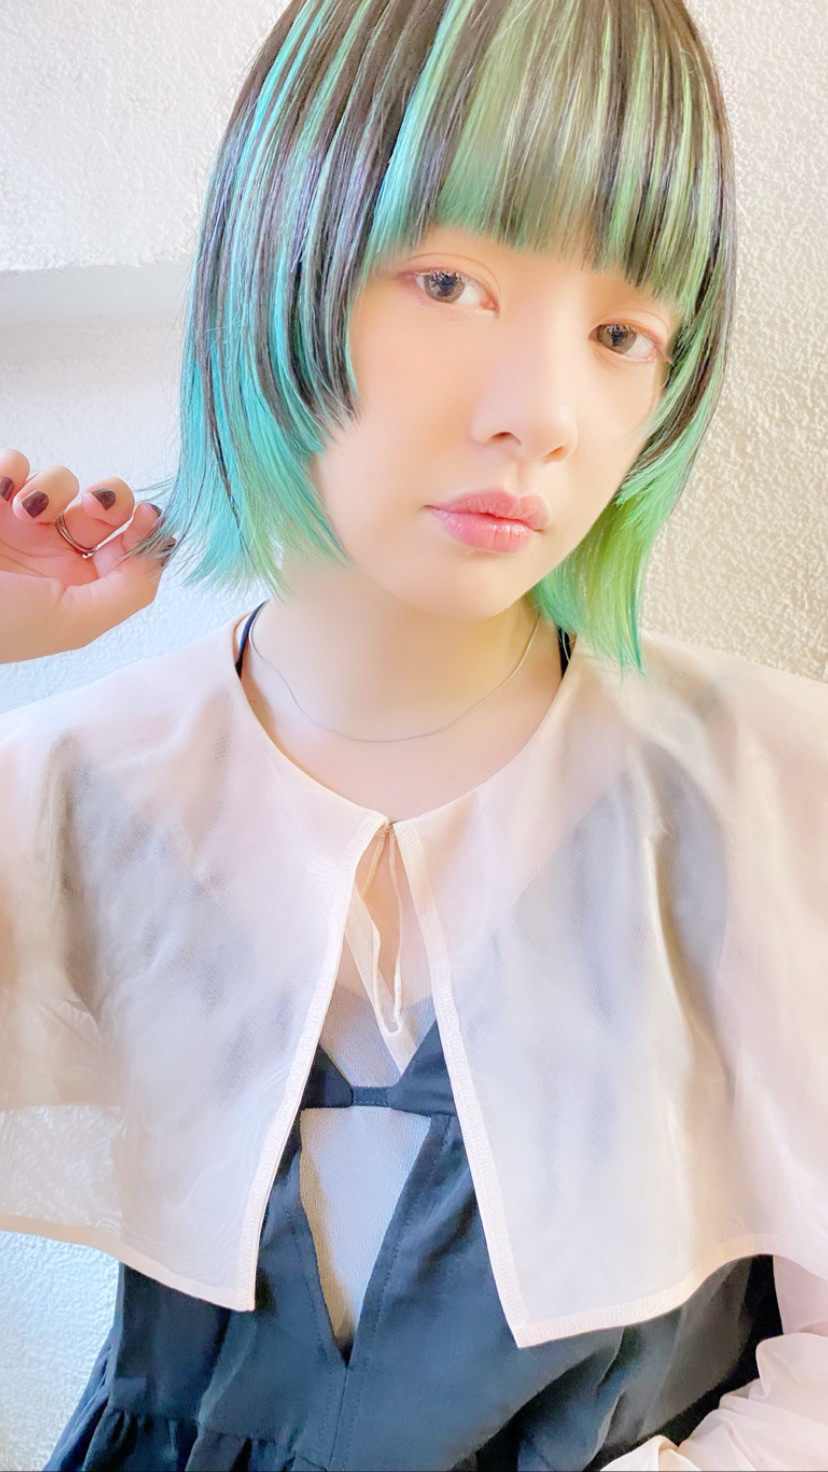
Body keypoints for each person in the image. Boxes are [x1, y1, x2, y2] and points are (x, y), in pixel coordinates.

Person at [1, 0, 827, 1467]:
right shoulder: (65, 789)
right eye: (448, 281)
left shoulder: (771, 789)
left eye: (621, 331)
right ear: (276, 264)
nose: (544, 414)